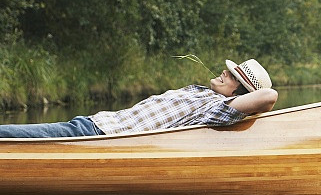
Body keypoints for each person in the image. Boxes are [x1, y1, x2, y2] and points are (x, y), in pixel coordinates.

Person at [0, 58, 278, 138]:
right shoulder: (202, 92)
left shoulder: (217, 107)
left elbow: (269, 96)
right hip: (93, 125)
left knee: (11, 135)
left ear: (238, 92)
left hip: (98, 137)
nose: (224, 72)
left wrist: (245, 97)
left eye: (232, 76)